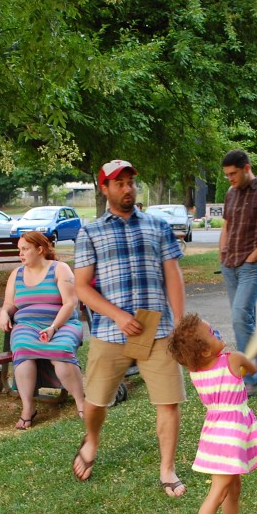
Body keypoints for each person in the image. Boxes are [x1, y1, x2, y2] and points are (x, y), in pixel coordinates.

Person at [72, 159, 188, 496]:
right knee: (95, 401)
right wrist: (118, 316)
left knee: (168, 401)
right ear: (104, 188)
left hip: (158, 328)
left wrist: (180, 322)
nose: (127, 189)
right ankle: (92, 440)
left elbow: (173, 276)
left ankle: (167, 469)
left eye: (131, 182)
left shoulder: (158, 226)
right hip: (111, 331)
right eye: (119, 183)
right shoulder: (90, 232)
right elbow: (82, 287)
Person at [167, 313, 257, 514]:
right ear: (204, 351)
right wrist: (247, 358)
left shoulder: (196, 371)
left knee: (233, 485)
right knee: (218, 491)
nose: (218, 332)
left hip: (215, 433)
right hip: (230, 436)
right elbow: (252, 369)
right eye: (212, 332)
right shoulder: (232, 359)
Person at [0, 231, 85, 429]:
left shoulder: (60, 269)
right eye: (19, 249)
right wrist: (4, 312)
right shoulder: (16, 274)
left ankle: (81, 402)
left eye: (25, 249)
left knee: (61, 351)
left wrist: (53, 327)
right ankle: (28, 408)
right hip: (27, 325)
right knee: (22, 349)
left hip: (61, 323)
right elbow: (9, 303)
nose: (21, 254)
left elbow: (70, 303)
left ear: (39, 249)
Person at [219, 149, 257, 395]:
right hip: (229, 266)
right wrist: (222, 252)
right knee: (244, 320)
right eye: (227, 175)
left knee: (239, 316)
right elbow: (227, 226)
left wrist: (253, 256)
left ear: (246, 168)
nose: (230, 178)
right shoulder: (230, 193)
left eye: (233, 173)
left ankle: (248, 376)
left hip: (253, 268)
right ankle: (256, 371)